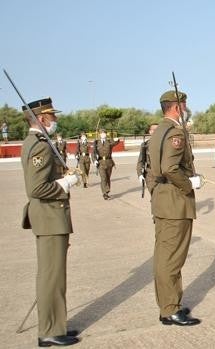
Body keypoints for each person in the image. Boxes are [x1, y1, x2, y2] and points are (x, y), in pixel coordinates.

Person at [20, 98, 80, 347]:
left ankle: (56, 325)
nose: (55, 120)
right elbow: (36, 188)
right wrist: (65, 183)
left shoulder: (39, 142)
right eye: (51, 116)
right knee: (51, 277)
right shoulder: (40, 146)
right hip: (49, 216)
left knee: (54, 276)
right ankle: (49, 331)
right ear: (41, 119)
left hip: (50, 217)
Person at [147, 90, 203, 326]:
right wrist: (188, 183)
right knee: (171, 258)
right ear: (176, 107)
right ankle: (170, 308)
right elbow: (170, 168)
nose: (187, 108)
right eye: (185, 104)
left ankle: (169, 304)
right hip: (174, 201)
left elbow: (153, 170)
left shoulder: (159, 131)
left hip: (162, 199)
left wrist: (155, 192)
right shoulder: (175, 132)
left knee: (165, 256)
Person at [93, 129, 120, 200]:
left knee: (108, 178)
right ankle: (104, 193)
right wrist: (94, 160)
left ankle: (107, 192)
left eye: (104, 133)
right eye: (101, 133)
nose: (103, 134)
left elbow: (115, 143)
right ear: (99, 134)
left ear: (106, 134)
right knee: (103, 178)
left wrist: (117, 139)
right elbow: (93, 153)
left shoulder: (109, 141)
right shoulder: (96, 142)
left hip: (109, 162)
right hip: (100, 162)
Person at [137, 124, 158, 190]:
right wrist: (140, 174)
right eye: (153, 130)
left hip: (164, 174)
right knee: (154, 195)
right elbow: (140, 161)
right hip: (150, 174)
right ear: (150, 131)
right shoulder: (145, 145)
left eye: (157, 130)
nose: (155, 131)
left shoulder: (166, 144)